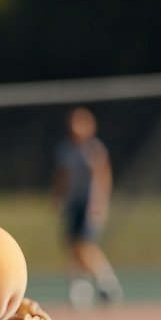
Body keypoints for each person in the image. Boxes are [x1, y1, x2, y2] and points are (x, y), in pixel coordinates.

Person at [53, 106, 123, 307]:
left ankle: (107, 282)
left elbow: (103, 176)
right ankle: (80, 287)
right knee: (72, 246)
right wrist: (57, 197)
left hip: (89, 203)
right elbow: (62, 177)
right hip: (72, 203)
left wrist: (99, 202)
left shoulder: (94, 149)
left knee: (85, 245)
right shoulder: (66, 149)